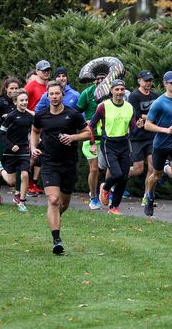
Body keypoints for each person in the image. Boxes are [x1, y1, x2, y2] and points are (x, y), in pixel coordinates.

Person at [31, 81, 90, 254]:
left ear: (62, 95)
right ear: (47, 96)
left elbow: (87, 133)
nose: (55, 97)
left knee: (63, 203)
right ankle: (57, 240)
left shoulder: (73, 115)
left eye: (57, 94)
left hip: (69, 164)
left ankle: (54, 216)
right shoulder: (41, 115)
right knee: (54, 200)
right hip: (49, 162)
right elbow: (35, 131)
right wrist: (34, 148)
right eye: (51, 94)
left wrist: (72, 138)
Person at [143, 71, 172, 224]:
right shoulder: (159, 103)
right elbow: (147, 125)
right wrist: (165, 130)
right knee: (156, 175)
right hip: (161, 144)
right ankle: (149, 196)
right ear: (165, 84)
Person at [90, 79, 136, 215]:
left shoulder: (129, 107)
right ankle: (105, 187)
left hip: (124, 143)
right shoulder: (103, 106)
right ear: (111, 91)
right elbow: (91, 125)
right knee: (117, 173)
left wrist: (137, 127)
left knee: (124, 177)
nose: (120, 92)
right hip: (108, 143)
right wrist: (92, 143)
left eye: (122, 89)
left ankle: (114, 207)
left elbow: (133, 130)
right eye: (117, 89)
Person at [0, 89, 32, 211]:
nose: (24, 102)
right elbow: (1, 134)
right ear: (15, 102)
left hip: (24, 150)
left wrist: (32, 142)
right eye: (21, 100)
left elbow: (30, 132)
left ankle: (22, 202)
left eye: (26, 100)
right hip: (10, 151)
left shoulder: (30, 117)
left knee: (25, 174)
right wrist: (10, 145)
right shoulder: (11, 117)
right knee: (11, 181)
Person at [127, 70, 159, 207]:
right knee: (137, 169)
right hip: (137, 137)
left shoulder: (155, 96)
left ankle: (147, 196)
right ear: (139, 81)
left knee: (153, 167)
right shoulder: (134, 96)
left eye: (150, 80)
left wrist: (149, 118)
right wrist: (152, 117)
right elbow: (137, 115)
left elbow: (158, 112)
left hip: (152, 136)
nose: (148, 83)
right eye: (146, 80)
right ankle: (116, 177)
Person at [76, 71, 107, 210]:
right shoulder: (87, 93)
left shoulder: (111, 92)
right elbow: (76, 113)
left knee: (108, 168)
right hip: (91, 136)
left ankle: (106, 191)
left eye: (103, 78)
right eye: (98, 78)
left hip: (107, 136)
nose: (100, 80)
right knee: (94, 169)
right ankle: (93, 197)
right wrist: (85, 121)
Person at [24, 60, 51, 196]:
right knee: (33, 155)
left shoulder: (50, 86)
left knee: (42, 155)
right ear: (37, 71)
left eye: (48, 70)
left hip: (47, 124)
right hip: (33, 125)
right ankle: (25, 182)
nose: (46, 72)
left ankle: (34, 183)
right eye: (43, 70)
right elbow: (20, 100)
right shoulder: (31, 86)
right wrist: (31, 113)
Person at [0, 77, 21, 163]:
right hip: (3, 137)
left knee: (18, 166)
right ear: (6, 88)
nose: (14, 90)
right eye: (11, 88)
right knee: (2, 165)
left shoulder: (21, 102)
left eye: (16, 88)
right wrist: (3, 118)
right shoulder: (0, 102)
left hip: (18, 138)